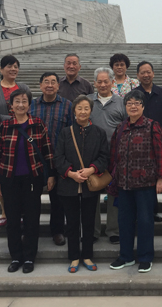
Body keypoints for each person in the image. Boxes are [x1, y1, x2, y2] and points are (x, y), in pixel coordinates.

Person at [0, 88, 54, 274]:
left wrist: (51, 174)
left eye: (24, 101)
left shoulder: (38, 124)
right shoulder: (4, 126)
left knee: (31, 220)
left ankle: (29, 257)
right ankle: (16, 256)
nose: (20, 105)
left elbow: (47, 150)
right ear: (11, 105)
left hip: (32, 179)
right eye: (17, 101)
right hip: (9, 179)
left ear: (29, 104)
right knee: (12, 220)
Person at [108, 90, 162, 273]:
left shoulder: (152, 126)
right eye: (129, 103)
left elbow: (161, 153)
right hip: (124, 183)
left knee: (145, 221)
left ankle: (145, 257)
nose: (133, 106)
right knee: (124, 221)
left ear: (143, 106)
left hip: (145, 183)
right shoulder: (120, 128)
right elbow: (114, 156)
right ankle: (125, 256)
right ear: (125, 107)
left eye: (137, 103)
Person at [53, 95, 110, 273]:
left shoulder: (99, 133)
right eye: (80, 108)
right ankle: (74, 257)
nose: (83, 112)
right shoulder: (65, 132)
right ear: (74, 111)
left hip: (89, 185)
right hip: (68, 185)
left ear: (91, 111)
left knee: (88, 222)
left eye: (86, 108)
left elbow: (104, 157)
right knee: (71, 223)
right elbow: (58, 157)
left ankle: (87, 255)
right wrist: (71, 173)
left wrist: (91, 170)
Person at [0, 55, 30, 227]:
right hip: (1, 136)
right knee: (3, 174)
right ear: (1, 69)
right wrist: (10, 119)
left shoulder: (23, 87)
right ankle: (5, 211)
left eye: (16, 66)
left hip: (23, 135)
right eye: (9, 66)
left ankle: (22, 211)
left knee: (22, 173)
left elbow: (29, 109)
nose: (13, 69)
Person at [30, 71, 73, 247]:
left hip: (57, 159)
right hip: (33, 159)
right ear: (40, 85)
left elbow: (71, 133)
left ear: (58, 86)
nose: (49, 85)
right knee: (31, 199)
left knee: (58, 199)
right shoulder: (31, 105)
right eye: (46, 82)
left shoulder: (67, 105)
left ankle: (57, 231)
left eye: (53, 82)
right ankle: (30, 231)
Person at [87, 67, 126, 245]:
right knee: (91, 193)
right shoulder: (88, 101)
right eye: (99, 81)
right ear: (94, 83)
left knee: (114, 193)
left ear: (112, 82)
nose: (103, 84)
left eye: (106, 81)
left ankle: (114, 230)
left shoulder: (121, 102)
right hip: (91, 156)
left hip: (115, 156)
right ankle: (92, 231)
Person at [134, 60, 162, 223]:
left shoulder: (161, 93)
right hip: (139, 143)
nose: (146, 75)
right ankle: (142, 210)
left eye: (148, 72)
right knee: (143, 178)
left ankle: (153, 211)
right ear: (137, 75)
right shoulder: (134, 94)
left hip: (159, 141)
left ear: (153, 74)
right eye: (143, 72)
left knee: (156, 176)